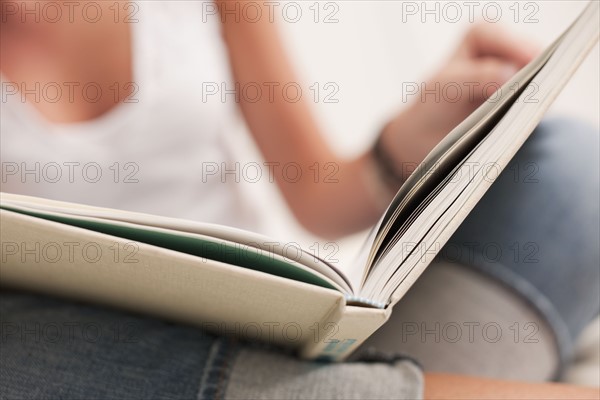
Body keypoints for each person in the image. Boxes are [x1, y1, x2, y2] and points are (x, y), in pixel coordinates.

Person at [1, 1, 598, 398]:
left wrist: (408, 141)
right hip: (82, 357)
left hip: (267, 329)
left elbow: (317, 196)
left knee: (572, 167)